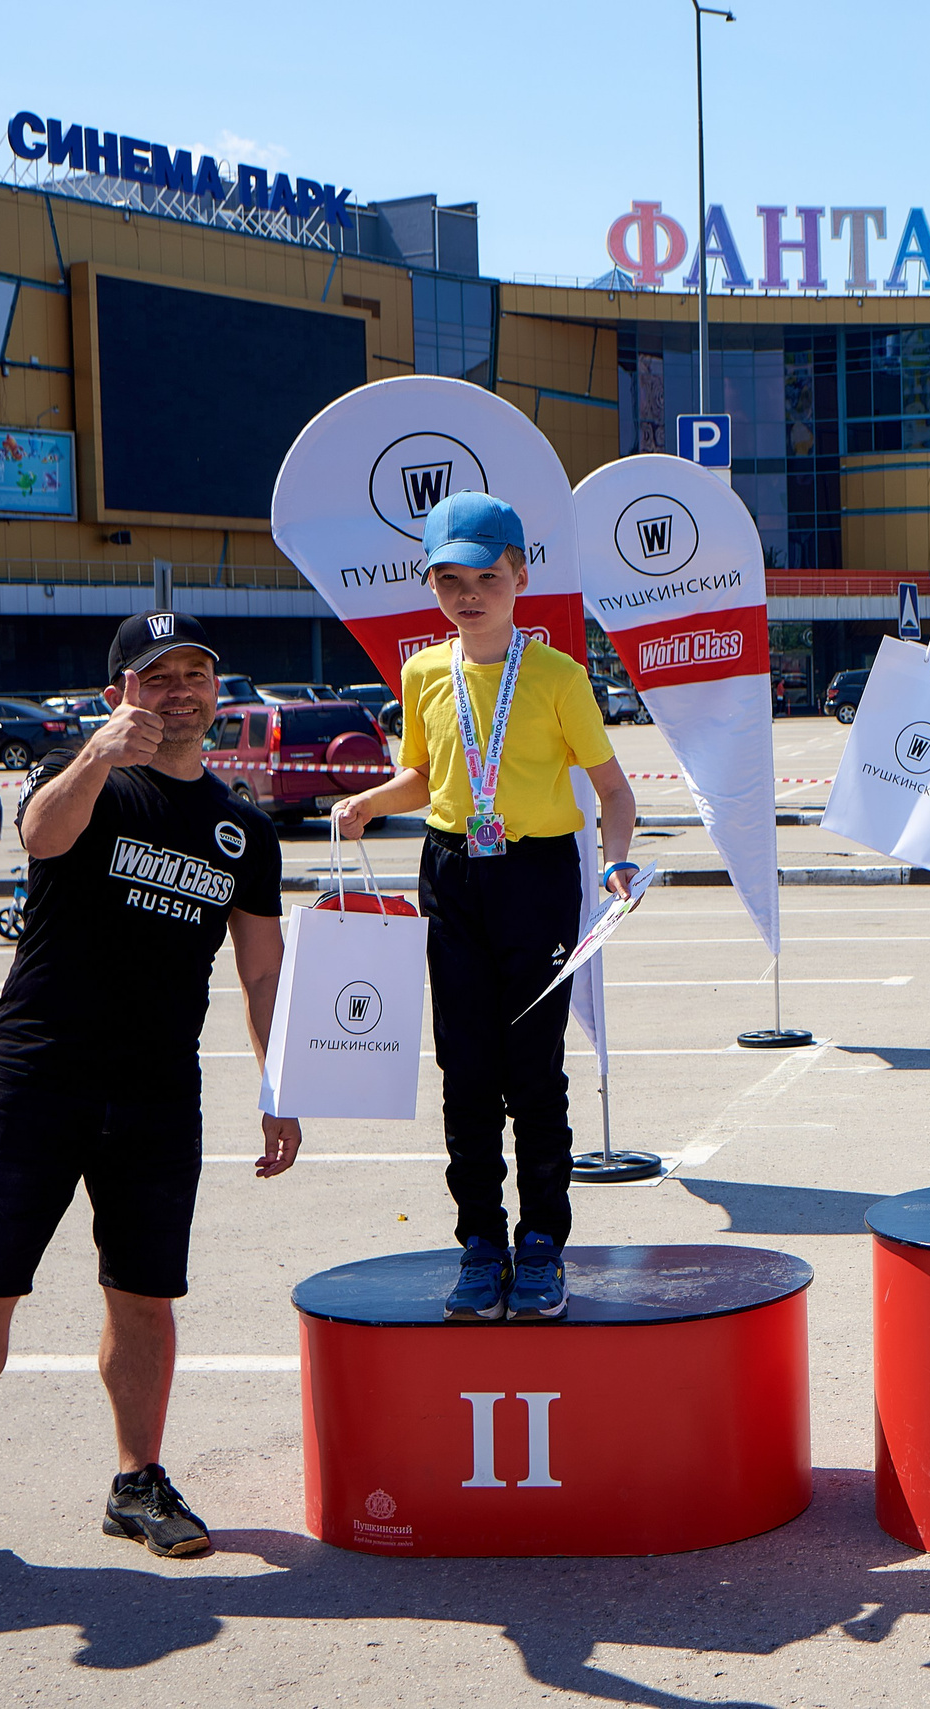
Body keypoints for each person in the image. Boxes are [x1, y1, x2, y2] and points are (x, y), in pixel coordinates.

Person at [0, 611, 294, 1595]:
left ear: (216, 691)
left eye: (195, 674)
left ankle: (136, 1479)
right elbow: (41, 835)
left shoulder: (242, 826)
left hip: (157, 1090)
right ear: (119, 692)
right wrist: (99, 753)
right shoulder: (82, 778)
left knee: (145, 1294)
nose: (180, 691)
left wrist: (280, 1084)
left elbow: (261, 968)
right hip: (39, 1074)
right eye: (157, 677)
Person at [333, 492, 637, 1323]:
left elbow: (613, 789)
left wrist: (617, 861)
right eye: (450, 581)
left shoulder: (558, 676)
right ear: (431, 584)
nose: (469, 596)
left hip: (537, 877)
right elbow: (425, 776)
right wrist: (369, 802)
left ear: (520, 577)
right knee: (464, 1067)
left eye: (487, 578)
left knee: (531, 1068)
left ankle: (539, 1242)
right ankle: (479, 1241)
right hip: (451, 871)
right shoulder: (423, 672)